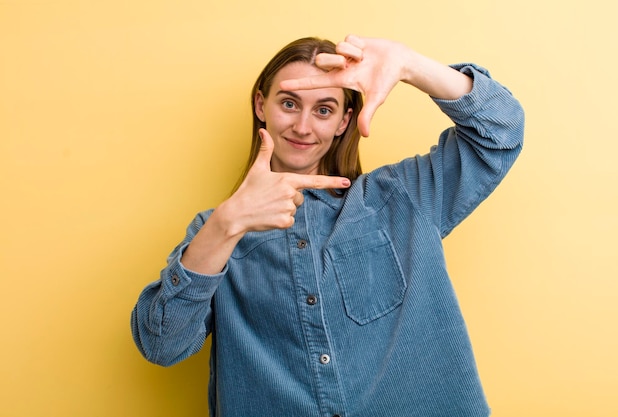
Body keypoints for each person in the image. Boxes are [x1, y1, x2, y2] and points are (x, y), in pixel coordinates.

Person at [131, 34, 524, 417]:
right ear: (260, 105)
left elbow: (500, 132)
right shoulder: (217, 231)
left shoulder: (401, 196)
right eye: (289, 103)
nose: (303, 127)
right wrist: (226, 224)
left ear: (343, 121)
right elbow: (162, 345)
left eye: (323, 109)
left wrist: (409, 65)